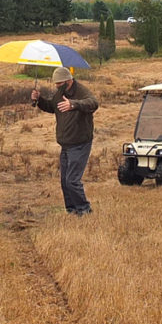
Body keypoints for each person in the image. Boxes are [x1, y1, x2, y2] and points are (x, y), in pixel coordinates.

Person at [32, 66, 98, 215]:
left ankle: (84, 210)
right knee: (64, 181)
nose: (57, 87)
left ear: (68, 81)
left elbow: (93, 103)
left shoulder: (82, 91)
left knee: (72, 180)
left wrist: (73, 104)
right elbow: (52, 107)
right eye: (55, 84)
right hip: (66, 144)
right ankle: (72, 210)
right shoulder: (60, 93)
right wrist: (39, 100)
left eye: (59, 84)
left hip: (80, 143)